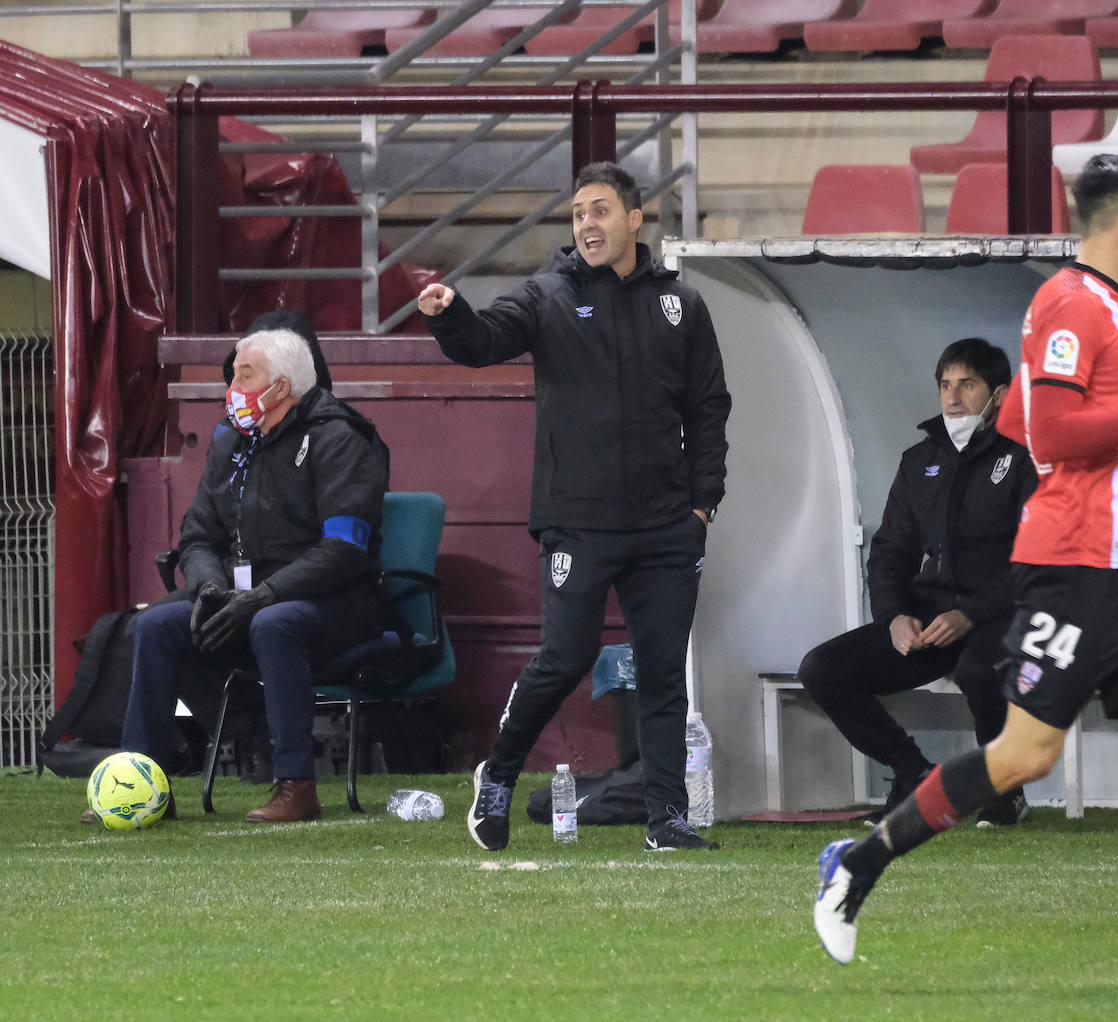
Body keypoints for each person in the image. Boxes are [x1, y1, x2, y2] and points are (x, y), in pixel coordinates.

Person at [812, 154, 1118, 983]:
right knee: (1024, 756)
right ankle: (858, 867)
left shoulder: (1105, 304)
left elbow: (1031, 417)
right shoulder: (1070, 302)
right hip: (1076, 570)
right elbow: (1057, 433)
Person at [418, 161, 731, 853]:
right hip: (578, 522)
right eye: (578, 215)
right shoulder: (548, 296)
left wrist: (702, 506)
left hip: (666, 525)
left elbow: (709, 408)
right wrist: (451, 314)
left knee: (661, 672)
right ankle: (497, 777)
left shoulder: (681, 305)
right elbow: (486, 340)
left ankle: (666, 817)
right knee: (564, 658)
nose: (587, 225)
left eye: (599, 211)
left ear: (633, 218)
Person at [81, 311, 390, 825]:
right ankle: (143, 782)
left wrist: (265, 594)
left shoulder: (341, 437)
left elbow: (344, 549)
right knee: (154, 623)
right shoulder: (230, 441)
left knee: (275, 621)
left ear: (282, 385)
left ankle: (297, 783)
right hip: (241, 595)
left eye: (244, 374)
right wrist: (207, 587)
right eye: (232, 375)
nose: (232, 385)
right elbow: (198, 535)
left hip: (335, 601)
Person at [798, 338, 1036, 826]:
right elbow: (889, 553)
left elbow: (1038, 562)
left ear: (1000, 394)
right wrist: (893, 617)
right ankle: (914, 773)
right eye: (945, 385)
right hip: (930, 620)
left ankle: (1003, 787)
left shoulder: (1023, 463)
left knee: (980, 671)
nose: (952, 397)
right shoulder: (918, 463)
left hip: (1002, 618)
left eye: (966, 385)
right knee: (822, 668)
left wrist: (971, 613)